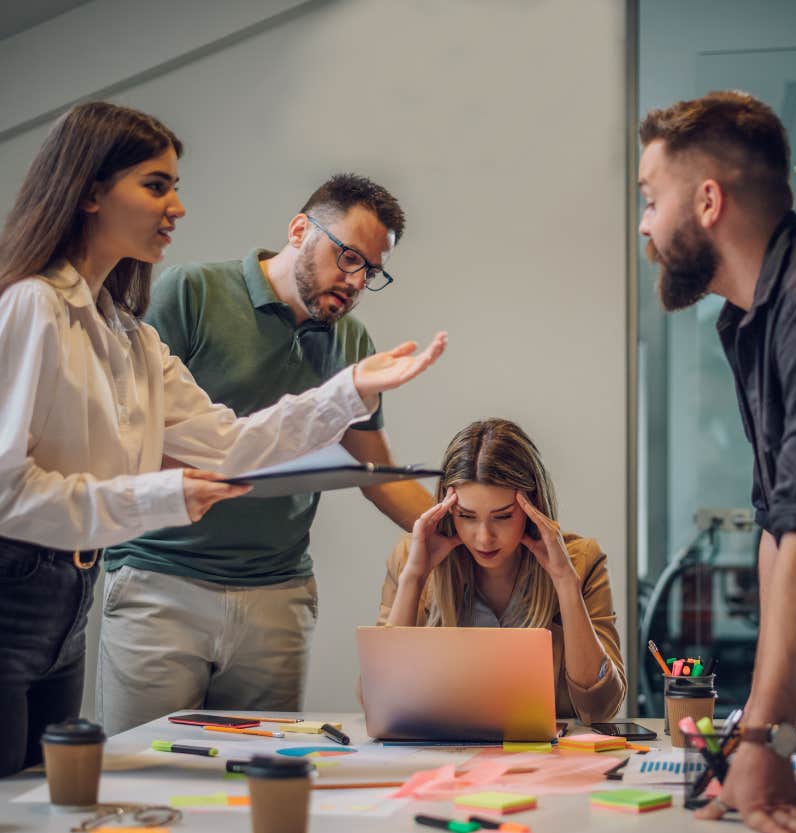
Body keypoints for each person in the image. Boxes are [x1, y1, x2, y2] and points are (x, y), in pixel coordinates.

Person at [0, 101, 446, 777]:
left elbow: (230, 445)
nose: (176, 207)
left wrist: (349, 389)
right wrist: (162, 496)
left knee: (49, 803)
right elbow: (8, 494)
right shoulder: (35, 304)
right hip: (26, 591)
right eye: (156, 186)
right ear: (89, 191)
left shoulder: (129, 335)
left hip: (72, 595)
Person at [98, 174, 436, 735]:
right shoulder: (190, 293)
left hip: (277, 593)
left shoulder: (351, 341)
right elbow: (132, 434)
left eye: (371, 272)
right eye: (347, 257)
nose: (354, 282)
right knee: (141, 777)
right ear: (300, 230)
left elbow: (376, 472)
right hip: (161, 579)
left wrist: (455, 529)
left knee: (260, 782)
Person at [638, 90, 796, 833]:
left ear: (706, 199)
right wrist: (767, 729)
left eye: (650, 198)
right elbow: (775, 526)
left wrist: (764, 738)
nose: (644, 225)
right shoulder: (751, 318)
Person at [374, 418, 626, 723]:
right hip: (440, 756)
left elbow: (600, 707)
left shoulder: (583, 561)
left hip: (545, 759)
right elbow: (380, 702)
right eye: (466, 516)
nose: (483, 537)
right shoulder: (411, 558)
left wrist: (565, 582)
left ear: (533, 507)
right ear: (447, 509)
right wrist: (414, 578)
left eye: (503, 516)